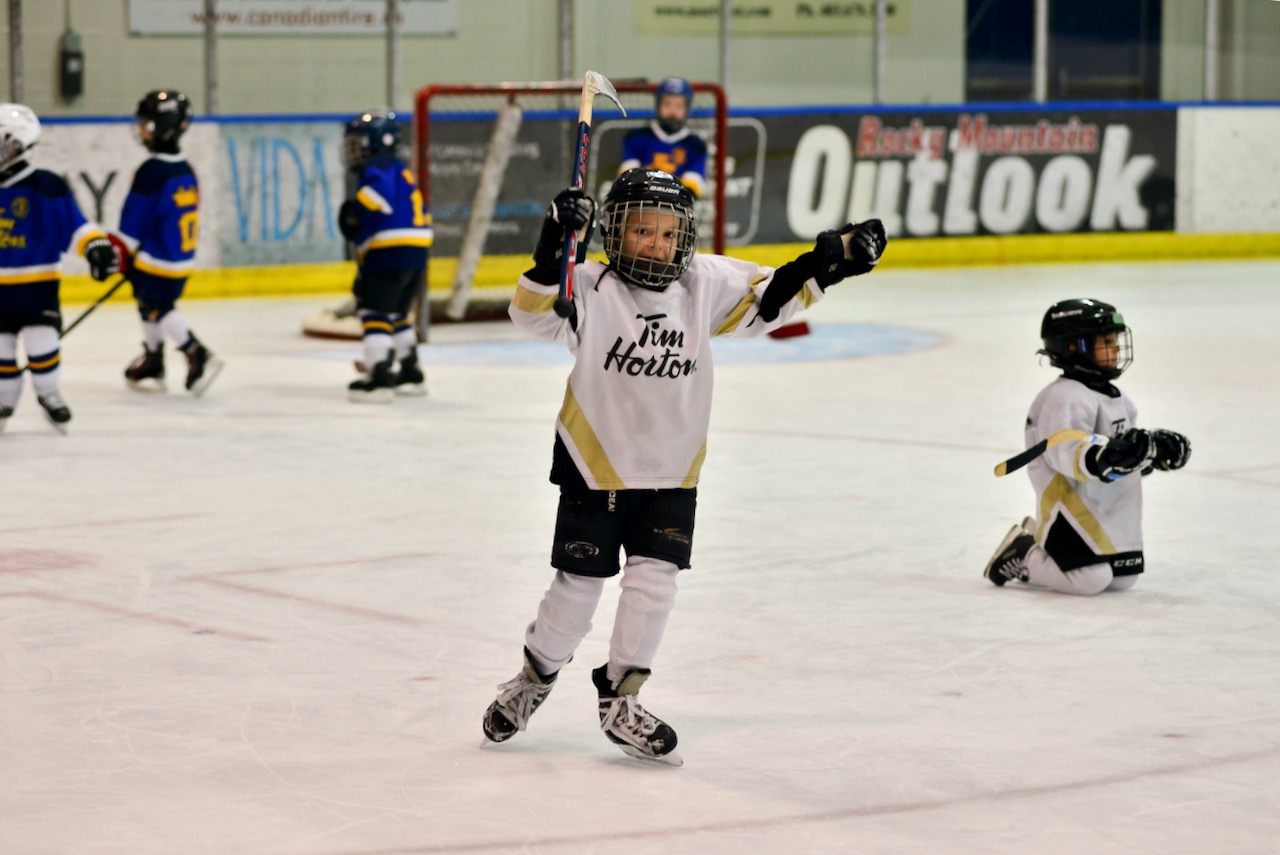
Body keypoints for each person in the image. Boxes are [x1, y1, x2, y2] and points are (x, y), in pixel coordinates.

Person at [482, 167, 887, 764]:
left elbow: (768, 299)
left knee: (654, 586)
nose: (657, 244)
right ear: (614, 235)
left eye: (670, 234)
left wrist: (833, 260)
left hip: (674, 470)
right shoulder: (592, 286)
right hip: (596, 467)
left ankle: (621, 698)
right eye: (643, 232)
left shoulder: (703, 283)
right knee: (578, 591)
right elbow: (533, 311)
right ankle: (534, 678)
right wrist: (552, 237)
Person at [983, 299, 1192, 595]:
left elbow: (1124, 459)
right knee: (1089, 579)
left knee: (1122, 580)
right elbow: (1066, 454)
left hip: (1108, 504)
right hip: (1070, 506)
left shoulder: (1118, 397)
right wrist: (1108, 456)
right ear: (1073, 347)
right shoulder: (1064, 397)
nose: (1116, 348)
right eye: (1105, 341)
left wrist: (1153, 452)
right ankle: (1024, 553)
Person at [0, 103, 119, 433]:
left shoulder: (45, 186)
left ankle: (49, 394)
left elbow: (74, 225)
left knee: (42, 346)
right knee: (1, 353)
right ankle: (4, 401)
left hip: (36, 289)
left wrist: (95, 245)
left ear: (16, 144)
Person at [118, 89, 223, 397]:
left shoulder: (153, 171)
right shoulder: (185, 168)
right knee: (149, 304)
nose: (142, 130)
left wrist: (122, 252)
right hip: (179, 258)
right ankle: (153, 359)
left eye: (148, 124)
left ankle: (196, 350)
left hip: (155, 259)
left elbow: (133, 222)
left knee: (157, 307)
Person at [338, 109, 433, 402]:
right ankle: (409, 370)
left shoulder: (378, 167)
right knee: (398, 313)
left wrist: (356, 209)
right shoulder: (401, 168)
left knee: (374, 311)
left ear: (377, 142)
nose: (353, 151)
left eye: (357, 143)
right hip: (418, 251)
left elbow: (375, 194)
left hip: (389, 249)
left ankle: (378, 376)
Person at [618, 77, 707, 199]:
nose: (673, 111)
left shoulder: (695, 146)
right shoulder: (637, 138)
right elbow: (628, 177)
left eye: (679, 105)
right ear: (658, 105)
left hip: (678, 209)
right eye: (667, 104)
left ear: (687, 109)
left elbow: (693, 184)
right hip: (640, 204)